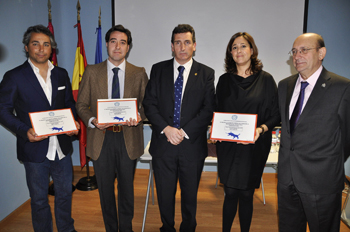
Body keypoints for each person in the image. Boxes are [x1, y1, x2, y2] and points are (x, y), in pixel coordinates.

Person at [0, 25, 78, 232]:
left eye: (46, 44)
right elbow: (3, 110)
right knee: (39, 200)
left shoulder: (61, 74)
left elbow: (69, 104)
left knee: (64, 195)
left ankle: (66, 229)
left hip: (61, 148)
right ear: (27, 47)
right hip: (34, 150)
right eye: (36, 44)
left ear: (51, 48)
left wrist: (73, 121)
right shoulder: (14, 76)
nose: (41, 49)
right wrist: (24, 130)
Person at [143, 24, 215, 232]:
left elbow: (208, 108)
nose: (182, 47)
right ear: (172, 46)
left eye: (187, 42)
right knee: (165, 193)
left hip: (191, 145)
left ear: (194, 46)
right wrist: (166, 128)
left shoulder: (206, 73)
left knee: (189, 194)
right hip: (163, 144)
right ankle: (167, 227)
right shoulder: (158, 69)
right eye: (177, 42)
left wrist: (183, 132)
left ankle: (188, 227)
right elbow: (150, 103)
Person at [76, 24, 148, 232]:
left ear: (128, 47)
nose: (118, 46)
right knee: (105, 190)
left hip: (128, 138)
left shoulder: (139, 72)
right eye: (113, 41)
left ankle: (126, 228)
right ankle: (111, 228)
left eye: (123, 42)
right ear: (107, 44)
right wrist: (93, 121)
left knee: (126, 189)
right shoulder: (91, 71)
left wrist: (139, 116)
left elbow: (148, 105)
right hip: (101, 138)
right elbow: (81, 105)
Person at [278, 33, 350, 232]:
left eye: (304, 50)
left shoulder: (342, 87)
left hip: (321, 180)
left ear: (321, 53)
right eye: (294, 51)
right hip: (287, 177)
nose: (297, 56)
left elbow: (347, 137)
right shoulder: (284, 85)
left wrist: (327, 161)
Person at [215, 32, 280, 232]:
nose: (238, 51)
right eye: (234, 47)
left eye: (243, 46)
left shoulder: (267, 80)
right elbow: (216, 112)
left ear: (252, 50)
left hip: (255, 145)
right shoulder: (224, 80)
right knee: (230, 192)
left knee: (246, 194)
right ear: (230, 53)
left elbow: (276, 115)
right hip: (228, 146)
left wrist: (260, 129)